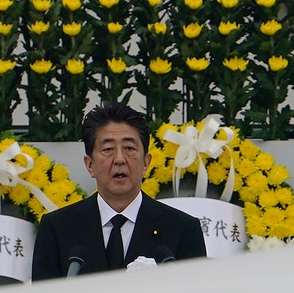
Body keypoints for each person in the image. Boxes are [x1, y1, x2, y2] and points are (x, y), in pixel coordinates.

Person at [31, 101, 207, 281]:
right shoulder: (57, 228)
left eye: (129, 148)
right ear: (89, 165)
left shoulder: (183, 230)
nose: (120, 159)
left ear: (146, 163)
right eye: (108, 149)